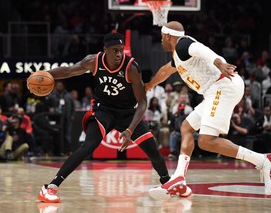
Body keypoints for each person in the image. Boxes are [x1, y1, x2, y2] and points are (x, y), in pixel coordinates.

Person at [35, 32, 170, 203]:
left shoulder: (131, 68)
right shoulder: (93, 61)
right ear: (105, 50)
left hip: (127, 113)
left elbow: (142, 103)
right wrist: (44, 75)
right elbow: (69, 71)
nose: (119, 54)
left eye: (121, 50)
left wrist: (129, 130)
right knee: (88, 146)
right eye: (115, 50)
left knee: (153, 151)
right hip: (103, 110)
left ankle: (168, 184)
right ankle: (50, 188)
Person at [145, 21, 271, 200]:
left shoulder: (183, 43)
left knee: (206, 141)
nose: (160, 41)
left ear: (167, 36)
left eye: (161, 38)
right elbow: (165, 71)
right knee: (186, 128)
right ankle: (179, 179)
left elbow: (200, 48)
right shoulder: (178, 56)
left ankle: (263, 160)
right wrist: (148, 85)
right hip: (215, 90)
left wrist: (219, 62)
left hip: (222, 85)